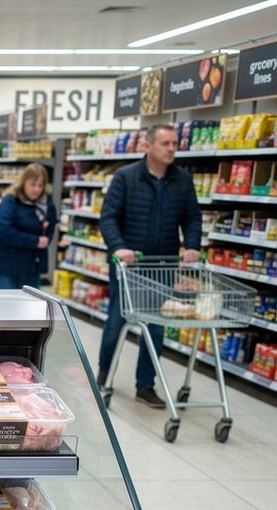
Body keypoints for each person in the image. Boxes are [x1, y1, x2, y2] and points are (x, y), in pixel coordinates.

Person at [98, 124, 202, 409]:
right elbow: (108, 217)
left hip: (162, 265)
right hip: (129, 266)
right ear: (148, 146)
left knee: (155, 328)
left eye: (174, 143)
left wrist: (192, 245)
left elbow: (192, 217)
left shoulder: (183, 180)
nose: (171, 148)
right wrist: (119, 247)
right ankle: (103, 375)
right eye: (165, 143)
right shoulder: (125, 177)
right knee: (117, 324)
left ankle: (145, 385)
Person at [0, 163, 57, 290]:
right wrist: (35, 241)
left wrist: (47, 234)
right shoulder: (10, 200)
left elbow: (51, 226)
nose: (36, 189)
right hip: (6, 264)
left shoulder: (46, 204)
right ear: (23, 182)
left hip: (31, 266)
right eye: (32, 184)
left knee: (30, 306)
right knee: (9, 305)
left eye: (40, 185)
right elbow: (5, 230)